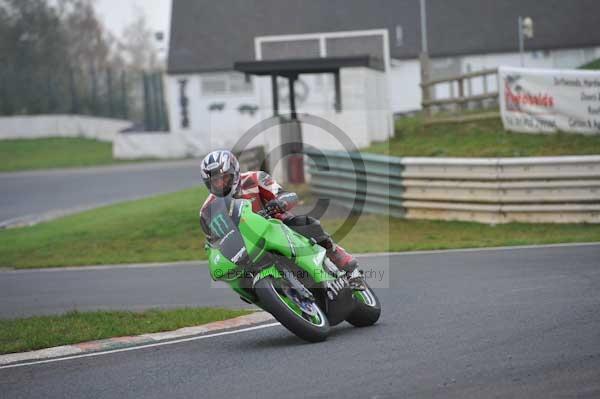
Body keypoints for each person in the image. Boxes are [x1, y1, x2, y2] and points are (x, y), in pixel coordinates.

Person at [199, 150, 358, 275]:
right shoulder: (208, 210)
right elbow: (213, 242)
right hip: (248, 246)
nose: (220, 183)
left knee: (305, 223)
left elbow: (286, 194)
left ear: (234, 172)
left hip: (278, 225)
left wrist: (280, 202)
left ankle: (337, 255)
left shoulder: (255, 178)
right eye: (214, 181)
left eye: (224, 178)